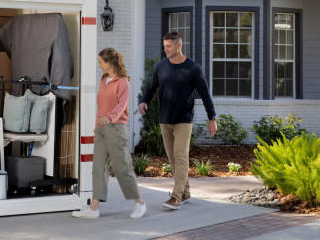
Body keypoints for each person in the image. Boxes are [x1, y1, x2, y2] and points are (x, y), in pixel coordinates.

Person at [138, 32, 217, 210]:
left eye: (169, 46)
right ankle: (186, 191)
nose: (165, 49)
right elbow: (151, 88)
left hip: (184, 120)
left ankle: (176, 196)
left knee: (180, 157)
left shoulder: (193, 68)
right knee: (173, 159)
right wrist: (144, 101)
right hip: (165, 119)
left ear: (179, 46)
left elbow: (205, 95)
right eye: (164, 46)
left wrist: (212, 118)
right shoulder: (161, 67)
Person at [72, 48, 147, 219]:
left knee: (122, 168)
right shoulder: (104, 79)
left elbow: (121, 106)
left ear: (110, 63)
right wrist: (98, 126)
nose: (99, 65)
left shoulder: (123, 82)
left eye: (101, 62)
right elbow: (102, 105)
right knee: (98, 168)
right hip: (101, 128)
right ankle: (94, 208)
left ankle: (139, 203)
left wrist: (110, 117)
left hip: (116, 128)